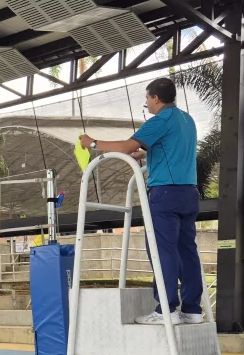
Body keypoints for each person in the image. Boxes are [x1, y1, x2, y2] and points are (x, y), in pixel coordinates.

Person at [80, 77, 202, 325]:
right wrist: (147, 156)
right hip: (188, 192)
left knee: (161, 250)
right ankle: (192, 310)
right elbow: (173, 151)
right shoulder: (186, 120)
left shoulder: (160, 120)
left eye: (147, 97)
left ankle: (166, 310)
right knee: (187, 251)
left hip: (165, 194)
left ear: (156, 98)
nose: (147, 102)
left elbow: (125, 146)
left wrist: (92, 143)